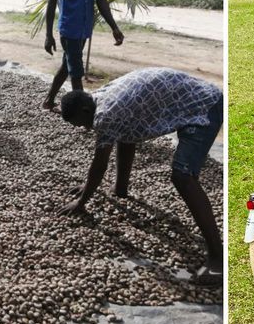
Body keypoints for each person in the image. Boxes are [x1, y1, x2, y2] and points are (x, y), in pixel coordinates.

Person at [57, 67, 224, 285]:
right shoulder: (99, 96)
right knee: (125, 133)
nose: (84, 129)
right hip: (190, 96)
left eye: (81, 123)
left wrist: (82, 201)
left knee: (182, 176)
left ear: (86, 110)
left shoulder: (105, 115)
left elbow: (100, 164)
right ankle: (121, 188)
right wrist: (115, 191)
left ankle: (218, 260)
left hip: (204, 106)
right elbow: (127, 133)